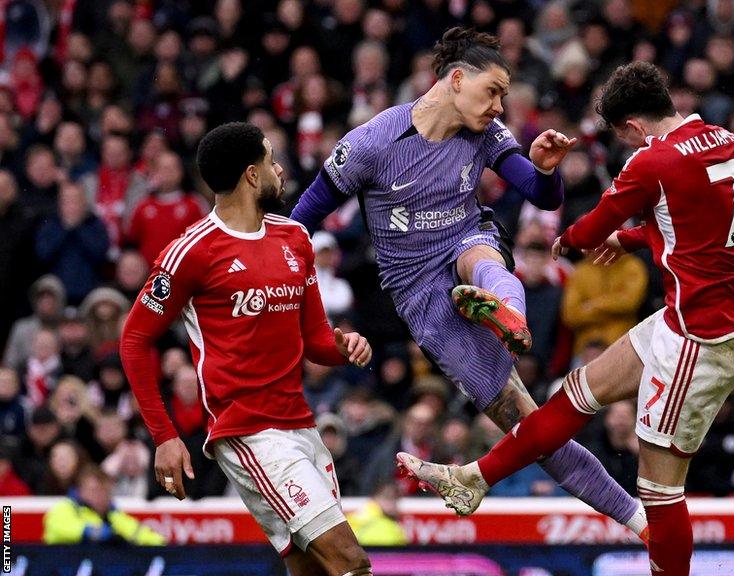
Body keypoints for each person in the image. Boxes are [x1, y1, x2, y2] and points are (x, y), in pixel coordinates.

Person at [398, 61, 734, 575]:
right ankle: (474, 478)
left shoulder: (651, 162)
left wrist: (568, 241)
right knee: (576, 392)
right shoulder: (723, 139)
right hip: (703, 315)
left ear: (632, 127)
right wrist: (633, 238)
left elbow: (588, 229)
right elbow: (704, 222)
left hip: (701, 337)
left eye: (624, 139)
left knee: (659, 488)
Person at [290, 28, 647, 538]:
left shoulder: (485, 134)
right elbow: (300, 221)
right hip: (417, 290)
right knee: (532, 431)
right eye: (494, 90)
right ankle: (638, 519)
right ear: (456, 79)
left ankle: (508, 314)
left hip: (466, 238)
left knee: (480, 259)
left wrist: (546, 171)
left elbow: (541, 195)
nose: (500, 106)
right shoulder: (371, 144)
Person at [120, 123, 375, 576]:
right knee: (351, 563)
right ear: (252, 175)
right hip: (249, 432)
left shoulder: (295, 237)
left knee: (315, 570)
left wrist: (345, 347)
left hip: (301, 425)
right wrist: (164, 435)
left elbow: (317, 341)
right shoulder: (191, 251)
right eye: (272, 159)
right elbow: (135, 339)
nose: (281, 169)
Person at [43, 466, 166, 545]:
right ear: (80, 491)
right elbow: (63, 528)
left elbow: (139, 533)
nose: (101, 496)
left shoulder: (114, 516)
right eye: (94, 490)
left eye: (105, 490)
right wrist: (98, 533)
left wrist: (162, 545)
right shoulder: (66, 508)